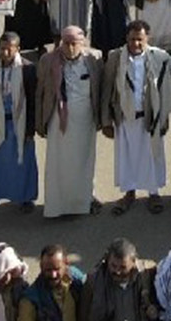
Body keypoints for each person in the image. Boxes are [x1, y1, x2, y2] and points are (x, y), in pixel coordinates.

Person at [103, 20, 171, 214]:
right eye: (133, 39)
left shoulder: (160, 58)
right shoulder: (115, 57)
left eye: (140, 39)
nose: (136, 44)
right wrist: (106, 120)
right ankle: (129, 193)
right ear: (127, 38)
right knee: (127, 157)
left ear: (147, 38)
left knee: (152, 156)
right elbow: (107, 89)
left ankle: (154, 194)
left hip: (150, 117)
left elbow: (166, 90)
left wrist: (164, 118)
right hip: (125, 117)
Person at [35, 25, 103, 218]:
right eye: (66, 43)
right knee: (59, 163)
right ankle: (58, 206)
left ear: (82, 43)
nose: (70, 47)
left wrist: (104, 120)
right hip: (58, 120)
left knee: (84, 161)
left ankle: (84, 201)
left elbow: (101, 89)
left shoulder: (94, 58)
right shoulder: (48, 60)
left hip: (85, 119)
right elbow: (40, 93)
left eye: (74, 43)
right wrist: (40, 122)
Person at [0, 31, 38, 212]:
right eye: (2, 49)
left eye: (9, 49)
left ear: (17, 49)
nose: (4, 53)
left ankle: (25, 199)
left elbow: (33, 101)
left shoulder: (27, 69)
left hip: (19, 122)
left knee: (23, 162)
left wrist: (30, 129)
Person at [81, 239, 159, 321]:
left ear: (134, 262)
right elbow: (83, 314)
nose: (117, 272)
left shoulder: (148, 273)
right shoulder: (93, 281)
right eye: (113, 266)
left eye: (123, 267)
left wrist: (153, 309)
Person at [16, 246, 80, 321]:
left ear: (66, 264)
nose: (53, 275)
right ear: (41, 266)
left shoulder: (77, 280)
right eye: (48, 270)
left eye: (57, 269)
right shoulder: (30, 300)